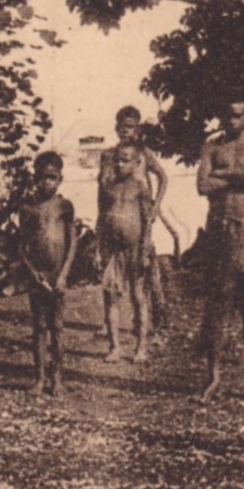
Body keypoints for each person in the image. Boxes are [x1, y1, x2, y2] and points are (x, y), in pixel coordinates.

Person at [196, 98, 244, 401]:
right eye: (228, 115)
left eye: (239, 115)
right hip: (218, 227)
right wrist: (243, 176)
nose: (233, 121)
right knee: (218, 304)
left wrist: (222, 174)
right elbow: (202, 186)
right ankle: (213, 378)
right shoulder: (212, 145)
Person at [100, 106, 173, 331]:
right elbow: (102, 191)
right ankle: (108, 323)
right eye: (123, 127)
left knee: (145, 267)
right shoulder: (109, 156)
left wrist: (156, 206)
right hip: (114, 214)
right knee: (111, 271)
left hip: (141, 216)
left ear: (137, 129)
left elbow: (163, 177)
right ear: (116, 128)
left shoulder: (143, 154)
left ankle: (156, 319)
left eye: (131, 127)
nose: (126, 132)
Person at [14, 151, 77, 395]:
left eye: (52, 177)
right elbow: (21, 247)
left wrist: (63, 276)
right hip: (37, 277)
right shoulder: (28, 209)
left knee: (58, 327)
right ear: (35, 179)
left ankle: (57, 378)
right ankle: (39, 378)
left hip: (57, 275)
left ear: (60, 178)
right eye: (42, 177)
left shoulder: (64, 206)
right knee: (39, 327)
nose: (47, 182)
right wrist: (33, 274)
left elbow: (72, 243)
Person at [97, 143, 154, 363]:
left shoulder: (140, 188)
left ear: (136, 163)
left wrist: (145, 251)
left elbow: (148, 221)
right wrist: (99, 250)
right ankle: (115, 347)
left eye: (126, 160)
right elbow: (101, 219)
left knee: (139, 297)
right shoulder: (109, 187)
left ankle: (140, 348)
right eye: (118, 160)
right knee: (110, 298)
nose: (120, 164)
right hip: (113, 251)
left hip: (135, 250)